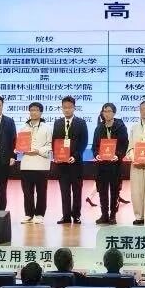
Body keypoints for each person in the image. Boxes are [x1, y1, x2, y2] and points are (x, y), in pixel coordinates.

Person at [52, 95, 88, 225]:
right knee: (64, 191)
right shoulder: (57, 123)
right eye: (65, 107)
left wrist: (75, 156)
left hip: (76, 163)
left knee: (77, 191)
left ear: (74, 108)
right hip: (62, 164)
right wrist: (56, 155)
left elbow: (84, 142)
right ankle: (66, 216)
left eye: (69, 107)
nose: (67, 110)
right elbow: (54, 141)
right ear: (62, 108)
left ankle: (76, 215)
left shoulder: (81, 123)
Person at [92, 103, 129, 225]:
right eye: (105, 111)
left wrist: (118, 155)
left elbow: (124, 144)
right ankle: (104, 215)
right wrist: (96, 154)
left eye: (109, 111)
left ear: (114, 113)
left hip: (115, 165)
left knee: (115, 191)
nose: (106, 114)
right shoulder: (99, 128)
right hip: (101, 165)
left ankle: (113, 215)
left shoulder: (120, 127)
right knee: (102, 191)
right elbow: (94, 146)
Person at [18, 102, 52, 224]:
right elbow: (19, 145)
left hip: (42, 163)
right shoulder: (23, 128)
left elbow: (50, 145)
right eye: (31, 110)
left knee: (41, 191)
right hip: (26, 163)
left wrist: (38, 151)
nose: (33, 112)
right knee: (27, 192)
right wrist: (20, 149)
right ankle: (28, 214)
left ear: (41, 112)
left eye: (36, 110)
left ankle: (39, 214)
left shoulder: (47, 128)